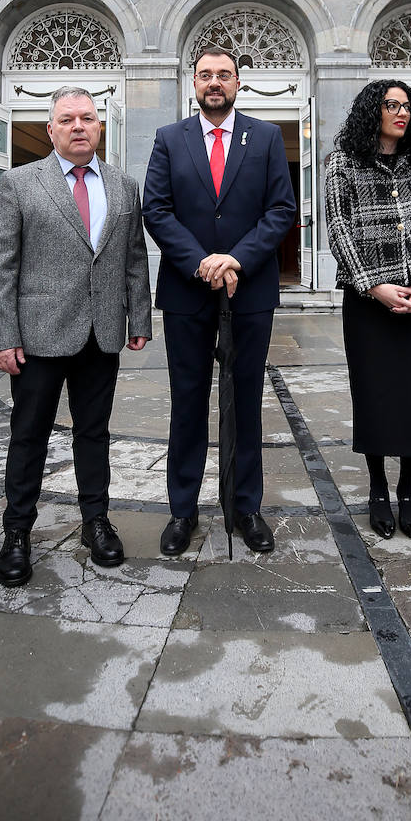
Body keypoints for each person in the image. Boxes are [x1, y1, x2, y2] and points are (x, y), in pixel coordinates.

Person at [0, 86, 151, 585]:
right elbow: (0, 267)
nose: (79, 126)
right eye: (68, 119)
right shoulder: (18, 183)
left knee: (93, 434)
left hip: (101, 336)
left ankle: (95, 521)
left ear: (100, 126)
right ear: (51, 129)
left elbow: (134, 260)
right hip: (36, 338)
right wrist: (3, 335)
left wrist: (137, 320)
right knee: (29, 435)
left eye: (88, 118)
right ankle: (17, 532)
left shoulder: (124, 186)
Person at [142, 45, 296, 556]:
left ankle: (245, 507)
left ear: (237, 83)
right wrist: (202, 261)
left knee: (245, 400)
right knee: (187, 403)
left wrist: (235, 259)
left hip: (250, 291)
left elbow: (280, 210)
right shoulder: (169, 139)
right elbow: (157, 210)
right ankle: (182, 511)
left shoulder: (268, 137)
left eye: (224, 75)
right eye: (206, 74)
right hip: (188, 292)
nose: (215, 82)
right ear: (193, 83)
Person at [324, 80, 411, 540]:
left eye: (407, 106)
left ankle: (407, 490)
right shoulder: (341, 162)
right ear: (371, 110)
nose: (401, 113)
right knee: (377, 395)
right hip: (369, 304)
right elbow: (338, 228)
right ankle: (378, 486)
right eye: (391, 105)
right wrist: (373, 285)